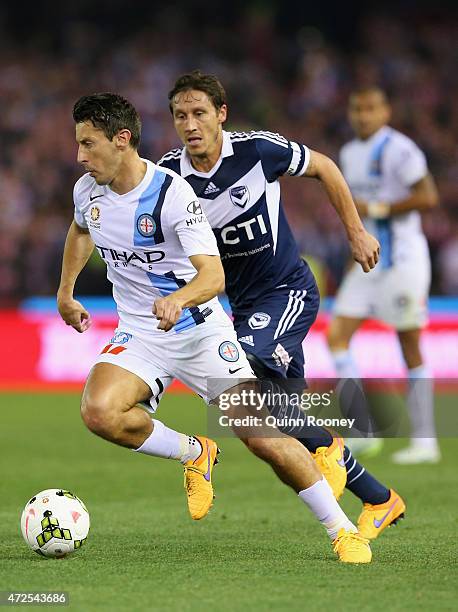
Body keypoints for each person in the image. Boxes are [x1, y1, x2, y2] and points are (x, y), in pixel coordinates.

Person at [57, 92, 372, 563]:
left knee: (262, 437)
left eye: (89, 144)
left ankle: (343, 530)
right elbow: (82, 229)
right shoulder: (88, 190)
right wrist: (66, 291)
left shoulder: (170, 193)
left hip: (199, 329)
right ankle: (194, 452)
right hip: (141, 333)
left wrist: (178, 299)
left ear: (122, 140)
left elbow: (213, 276)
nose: (80, 156)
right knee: (99, 412)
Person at [158, 70, 404, 541]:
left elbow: (326, 167)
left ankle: (329, 449)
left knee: (242, 371)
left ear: (221, 115)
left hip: (287, 291)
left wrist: (355, 232)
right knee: (281, 417)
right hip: (241, 305)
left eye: (199, 113)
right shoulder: (170, 176)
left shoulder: (257, 150)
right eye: (180, 115)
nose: (190, 124)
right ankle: (379, 498)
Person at [327, 87, 440, 464]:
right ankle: (362, 431)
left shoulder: (400, 148)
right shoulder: (347, 153)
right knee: (337, 336)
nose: (363, 115)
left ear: (385, 111)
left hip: (403, 260)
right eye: (357, 108)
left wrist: (376, 206)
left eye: (371, 108)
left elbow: (428, 196)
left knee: (408, 342)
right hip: (366, 262)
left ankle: (426, 441)